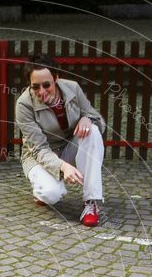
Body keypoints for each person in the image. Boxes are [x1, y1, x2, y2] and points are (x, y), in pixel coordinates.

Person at [15, 54, 105, 227]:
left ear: (56, 78)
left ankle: (90, 202)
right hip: (38, 156)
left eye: (46, 85)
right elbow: (39, 149)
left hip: (68, 147)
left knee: (92, 131)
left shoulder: (72, 88)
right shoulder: (23, 105)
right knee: (52, 194)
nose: (41, 92)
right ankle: (41, 190)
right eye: (35, 87)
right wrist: (63, 167)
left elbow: (97, 118)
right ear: (29, 85)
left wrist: (88, 119)